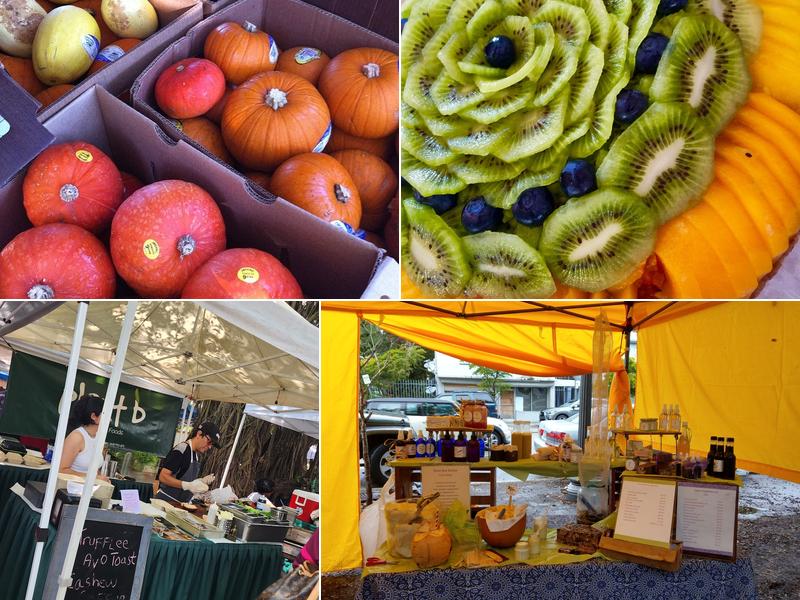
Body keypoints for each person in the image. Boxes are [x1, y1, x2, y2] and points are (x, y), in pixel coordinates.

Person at [155, 422, 221, 503]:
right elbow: (163, 477)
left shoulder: (195, 456)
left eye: (212, 444)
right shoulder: (181, 450)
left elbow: (184, 479)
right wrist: (187, 485)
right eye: (209, 441)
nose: (210, 446)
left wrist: (200, 482)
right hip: (165, 502)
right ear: (199, 434)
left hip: (179, 504)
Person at [60, 394, 109, 480]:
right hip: (70, 488)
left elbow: (93, 469)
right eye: (105, 413)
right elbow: (61, 469)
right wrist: (93, 478)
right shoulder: (77, 437)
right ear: (94, 416)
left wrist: (101, 478)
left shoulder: (98, 437)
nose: (109, 418)